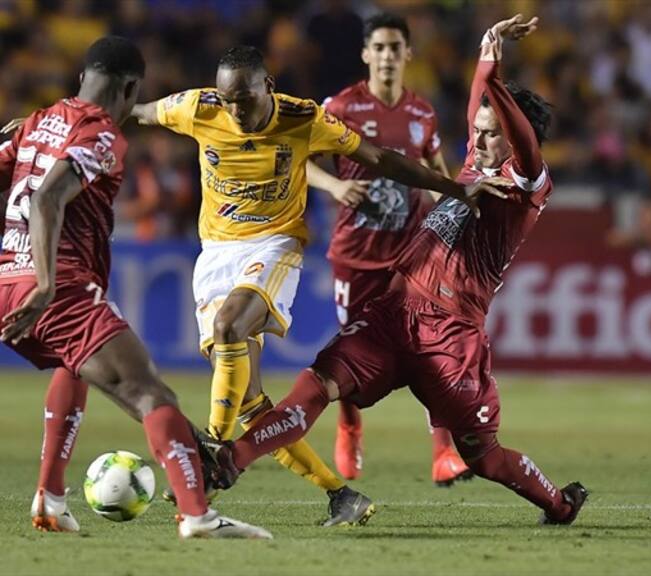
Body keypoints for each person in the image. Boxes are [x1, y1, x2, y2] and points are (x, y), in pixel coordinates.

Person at [211, 15, 590, 525]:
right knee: (317, 384)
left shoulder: (526, 184)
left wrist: (495, 78)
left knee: (484, 456)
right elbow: (483, 100)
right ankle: (229, 461)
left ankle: (560, 505)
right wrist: (487, 51)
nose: (477, 144)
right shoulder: (474, 170)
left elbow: (516, 133)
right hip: (393, 311)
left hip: (450, 336)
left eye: (489, 135)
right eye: (475, 134)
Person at [129, 45, 502, 525]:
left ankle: (209, 455)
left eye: (243, 99)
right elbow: (134, 110)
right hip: (215, 254)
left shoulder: (303, 119)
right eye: (227, 100)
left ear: (268, 86)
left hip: (274, 245)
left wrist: (452, 187)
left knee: (229, 327)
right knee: (251, 404)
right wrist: (60, 121)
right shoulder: (198, 108)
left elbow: (380, 158)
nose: (235, 111)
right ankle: (340, 495)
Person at [0, 36, 270, 539]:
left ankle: (50, 498)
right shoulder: (100, 132)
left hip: (7, 280)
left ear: (82, 78)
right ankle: (197, 515)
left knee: (73, 366)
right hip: (54, 287)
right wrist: (45, 283)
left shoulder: (38, 122)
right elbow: (46, 201)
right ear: (130, 89)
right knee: (151, 393)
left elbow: (17, 180)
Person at [307, 12, 470, 486]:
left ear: (407, 54)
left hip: (412, 257)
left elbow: (438, 173)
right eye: (378, 48)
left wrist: (454, 219)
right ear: (365, 54)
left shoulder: (422, 114)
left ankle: (443, 455)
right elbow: (301, 163)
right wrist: (336, 188)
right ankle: (349, 424)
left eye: (395, 48)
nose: (386, 56)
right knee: (353, 355)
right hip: (355, 255)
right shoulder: (340, 107)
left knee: (431, 352)